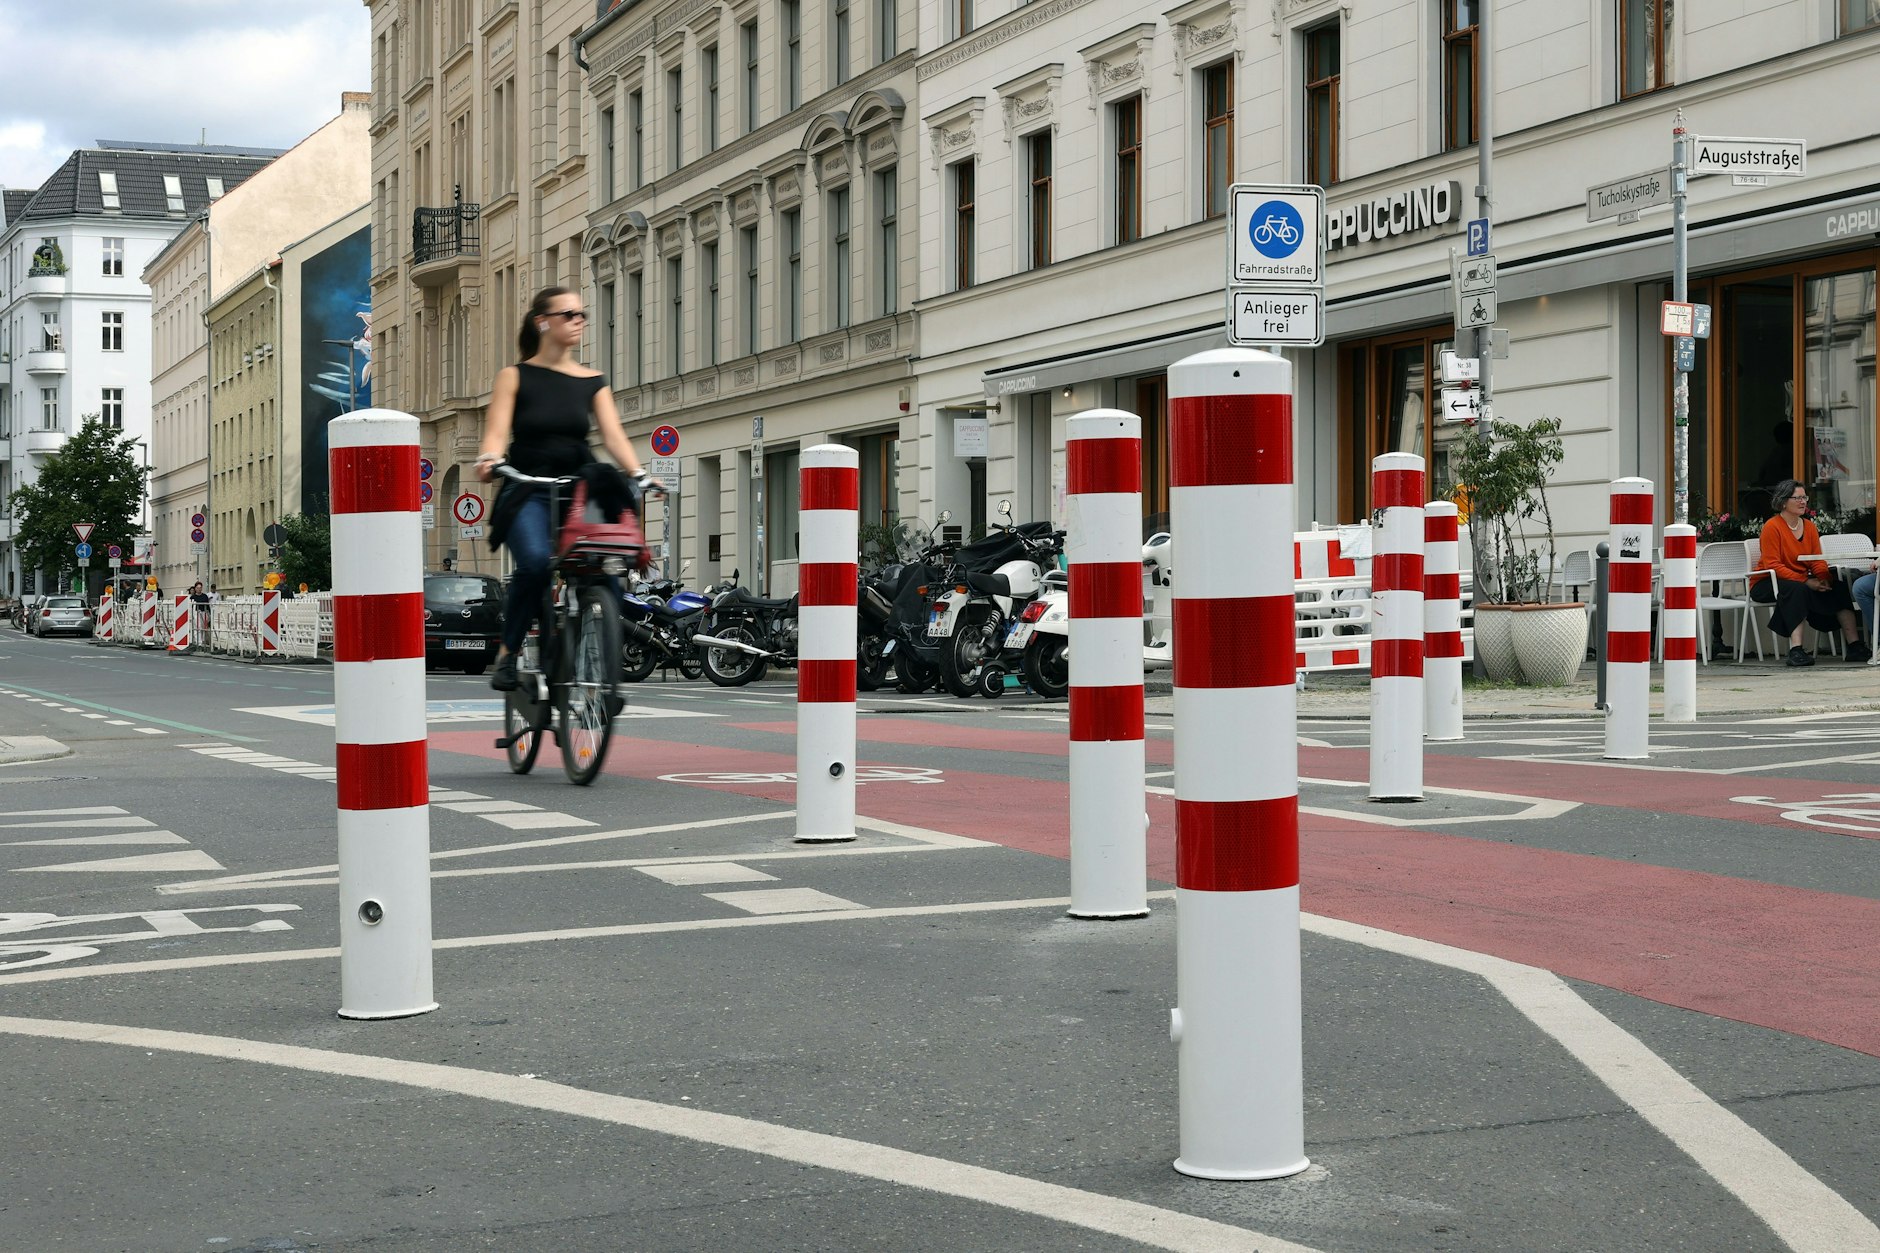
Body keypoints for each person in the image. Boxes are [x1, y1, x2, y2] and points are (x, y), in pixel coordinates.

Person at [476, 285, 663, 693]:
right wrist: (489, 459)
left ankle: (596, 671)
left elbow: (613, 436)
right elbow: (496, 432)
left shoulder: (592, 380)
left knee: (609, 572)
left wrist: (640, 473)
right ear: (543, 322)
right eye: (569, 315)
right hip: (530, 487)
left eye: (582, 315)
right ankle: (508, 655)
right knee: (533, 565)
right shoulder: (515, 376)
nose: (579, 321)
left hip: (582, 490)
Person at [1751, 479, 1868, 666]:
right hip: (1766, 582)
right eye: (1797, 498)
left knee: (1837, 588)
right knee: (1797, 589)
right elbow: (1773, 565)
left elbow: (1816, 560)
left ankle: (1855, 646)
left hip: (1799, 580)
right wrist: (1806, 581)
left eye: (1804, 497)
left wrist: (1823, 578)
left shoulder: (1809, 526)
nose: (1803, 501)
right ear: (1783, 502)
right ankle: (1796, 650)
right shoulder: (1772, 527)